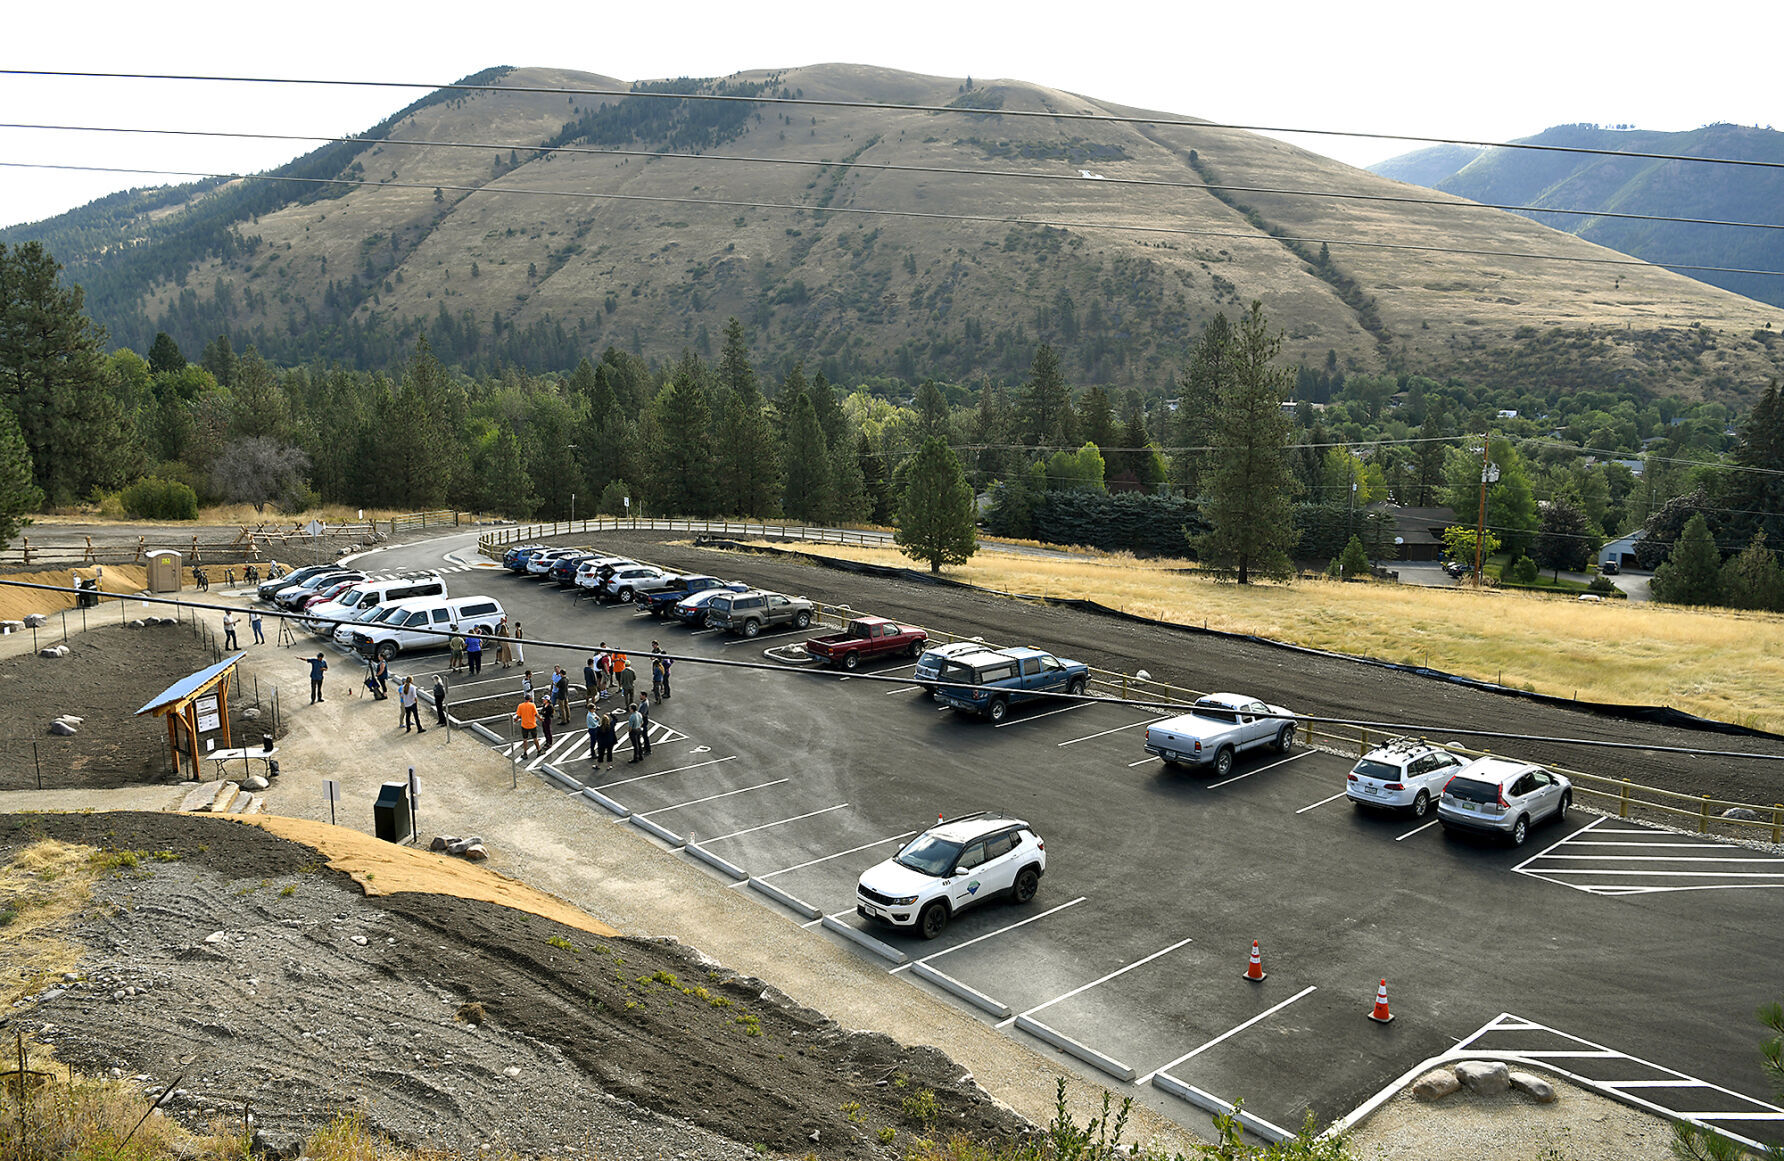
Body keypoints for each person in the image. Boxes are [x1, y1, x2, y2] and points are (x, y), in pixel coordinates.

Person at [586, 703, 601, 767]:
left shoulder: (593, 714)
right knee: (593, 741)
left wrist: (597, 719)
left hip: (595, 729)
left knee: (598, 740)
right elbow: (594, 723)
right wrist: (597, 720)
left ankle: (597, 752)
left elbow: (598, 718)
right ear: (590, 709)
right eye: (593, 709)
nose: (594, 710)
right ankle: (593, 754)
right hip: (593, 729)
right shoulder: (589, 716)